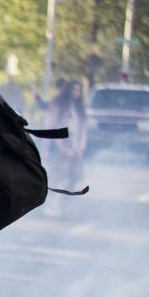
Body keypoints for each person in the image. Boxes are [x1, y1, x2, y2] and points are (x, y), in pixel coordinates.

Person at [41, 80, 87, 217]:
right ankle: (51, 206)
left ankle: (63, 206)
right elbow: (51, 126)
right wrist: (50, 148)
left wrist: (80, 149)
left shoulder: (78, 108)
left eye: (78, 91)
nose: (76, 93)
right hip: (59, 147)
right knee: (57, 177)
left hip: (74, 149)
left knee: (73, 178)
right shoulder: (58, 106)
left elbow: (81, 130)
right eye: (74, 90)